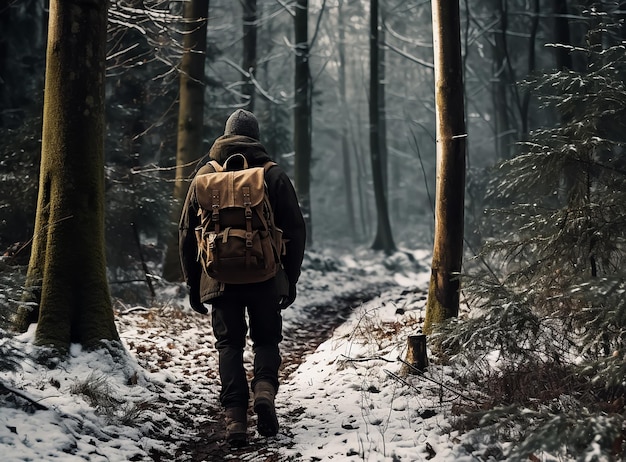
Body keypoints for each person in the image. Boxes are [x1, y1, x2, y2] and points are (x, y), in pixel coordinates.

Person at [179, 109, 306, 446]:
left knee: (229, 345)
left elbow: (185, 233)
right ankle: (264, 390)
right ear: (256, 136)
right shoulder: (273, 175)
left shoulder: (205, 175)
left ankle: (235, 419)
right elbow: (295, 228)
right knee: (266, 340)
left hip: (218, 279)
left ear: (225, 135)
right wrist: (289, 278)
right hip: (265, 276)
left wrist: (194, 284)